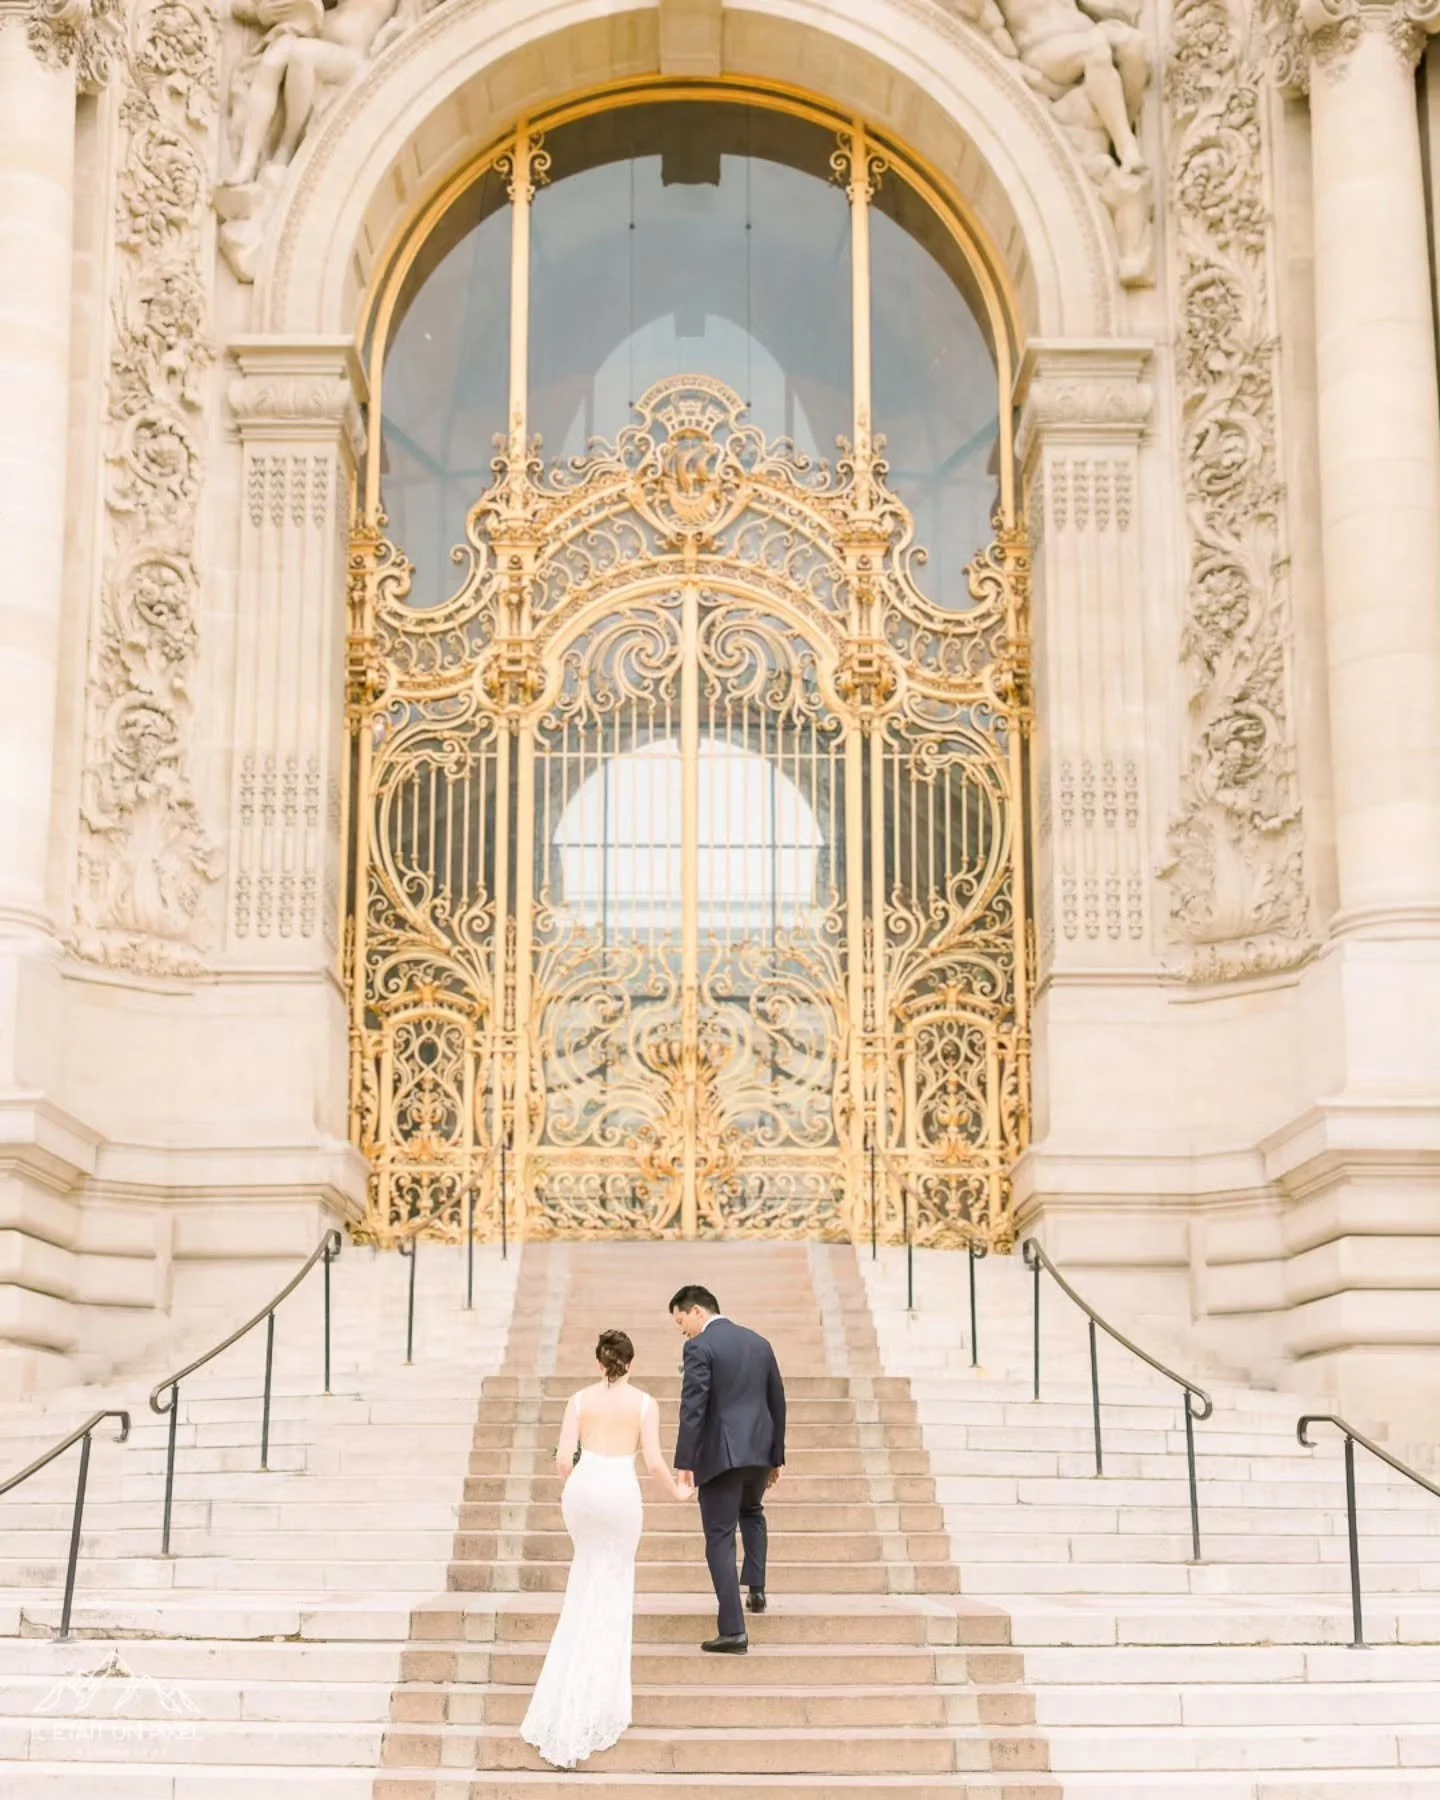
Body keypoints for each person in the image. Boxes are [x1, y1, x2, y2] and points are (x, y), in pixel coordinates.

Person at [519, 1328, 692, 1769]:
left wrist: (575, 1485)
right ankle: (601, 1697)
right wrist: (677, 1493)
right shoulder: (645, 1404)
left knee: (584, 1580)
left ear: (599, 1363)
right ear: (629, 1363)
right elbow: (653, 1461)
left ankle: (568, 1687)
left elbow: (562, 1458)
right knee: (612, 1587)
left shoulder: (578, 1400)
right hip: (619, 1492)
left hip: (583, 1491)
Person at [670, 1283, 787, 1655]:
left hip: (721, 1456)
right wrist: (777, 1455)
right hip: (760, 1451)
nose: (682, 1329)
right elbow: (777, 1401)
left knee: (719, 1537)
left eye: (681, 1320)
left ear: (697, 1312)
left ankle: (734, 1629)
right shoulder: (759, 1342)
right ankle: (756, 1589)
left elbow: (693, 1408)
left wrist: (685, 1461)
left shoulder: (700, 1347)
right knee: (752, 1512)